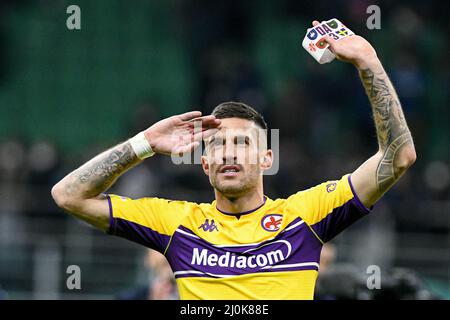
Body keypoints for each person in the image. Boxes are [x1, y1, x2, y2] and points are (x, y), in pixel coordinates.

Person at [51, 21, 416, 299]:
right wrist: (143, 143)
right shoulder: (177, 223)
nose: (228, 151)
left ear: (266, 158)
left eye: (242, 142)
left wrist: (369, 63)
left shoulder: (306, 214)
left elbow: (397, 157)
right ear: (206, 164)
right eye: (217, 144)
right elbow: (69, 195)